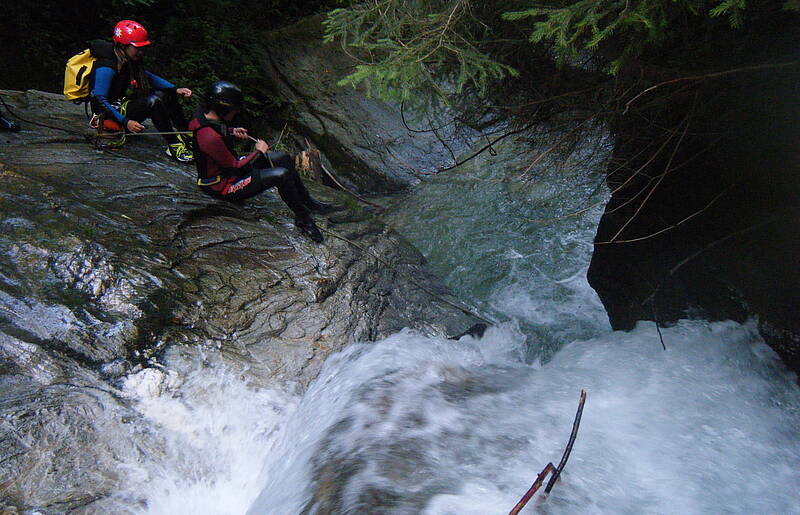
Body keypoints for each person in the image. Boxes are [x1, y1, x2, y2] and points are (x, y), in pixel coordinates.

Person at [189, 81, 335, 243]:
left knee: (282, 158)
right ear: (224, 108)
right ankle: (303, 219)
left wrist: (231, 131)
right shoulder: (209, 137)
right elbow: (235, 167)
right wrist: (258, 152)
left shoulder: (204, 117)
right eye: (234, 109)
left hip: (229, 171)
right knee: (281, 175)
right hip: (222, 186)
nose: (236, 113)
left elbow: (215, 134)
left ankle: (308, 202)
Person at [89, 20, 193, 162]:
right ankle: (174, 144)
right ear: (123, 45)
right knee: (153, 101)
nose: (140, 51)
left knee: (166, 94)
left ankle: (185, 133)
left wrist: (175, 89)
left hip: (123, 107)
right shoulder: (106, 66)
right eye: (136, 48)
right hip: (110, 116)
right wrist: (126, 122)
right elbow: (100, 101)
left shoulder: (128, 59)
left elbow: (148, 76)